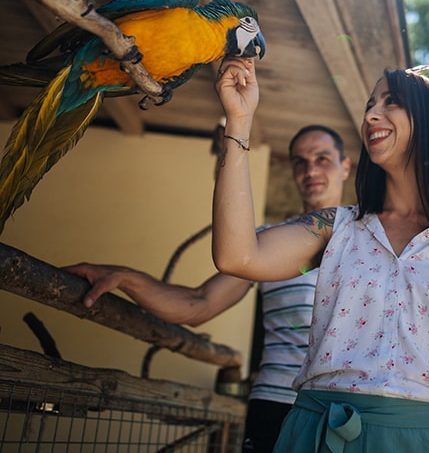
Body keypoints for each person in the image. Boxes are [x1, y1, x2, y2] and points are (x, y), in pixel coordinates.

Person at [211, 58, 429, 452]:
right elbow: (237, 256)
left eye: (389, 101)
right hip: (316, 437)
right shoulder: (335, 227)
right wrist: (239, 121)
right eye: (369, 106)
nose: (372, 114)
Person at [64, 123, 351, 452]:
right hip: (274, 405)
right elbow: (199, 304)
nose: (310, 169)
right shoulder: (264, 244)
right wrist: (126, 278)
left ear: (345, 166)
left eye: (322, 158)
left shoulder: (366, 238)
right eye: (300, 161)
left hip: (341, 410)